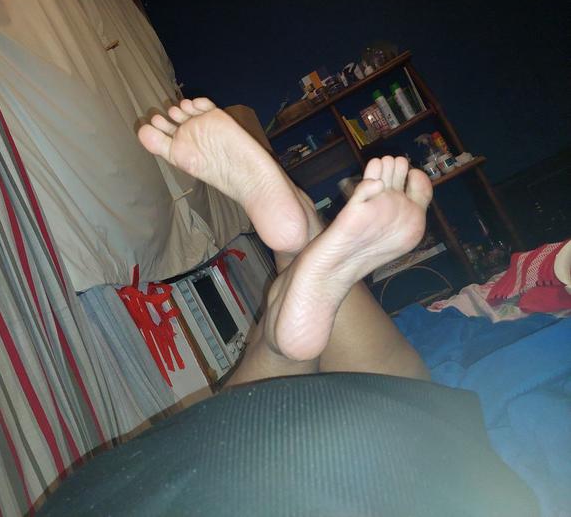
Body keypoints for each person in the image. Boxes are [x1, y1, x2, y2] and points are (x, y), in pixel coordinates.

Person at [36, 98, 539, 517]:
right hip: (114, 493)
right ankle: (292, 277)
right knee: (408, 407)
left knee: (409, 403)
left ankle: (294, 271)